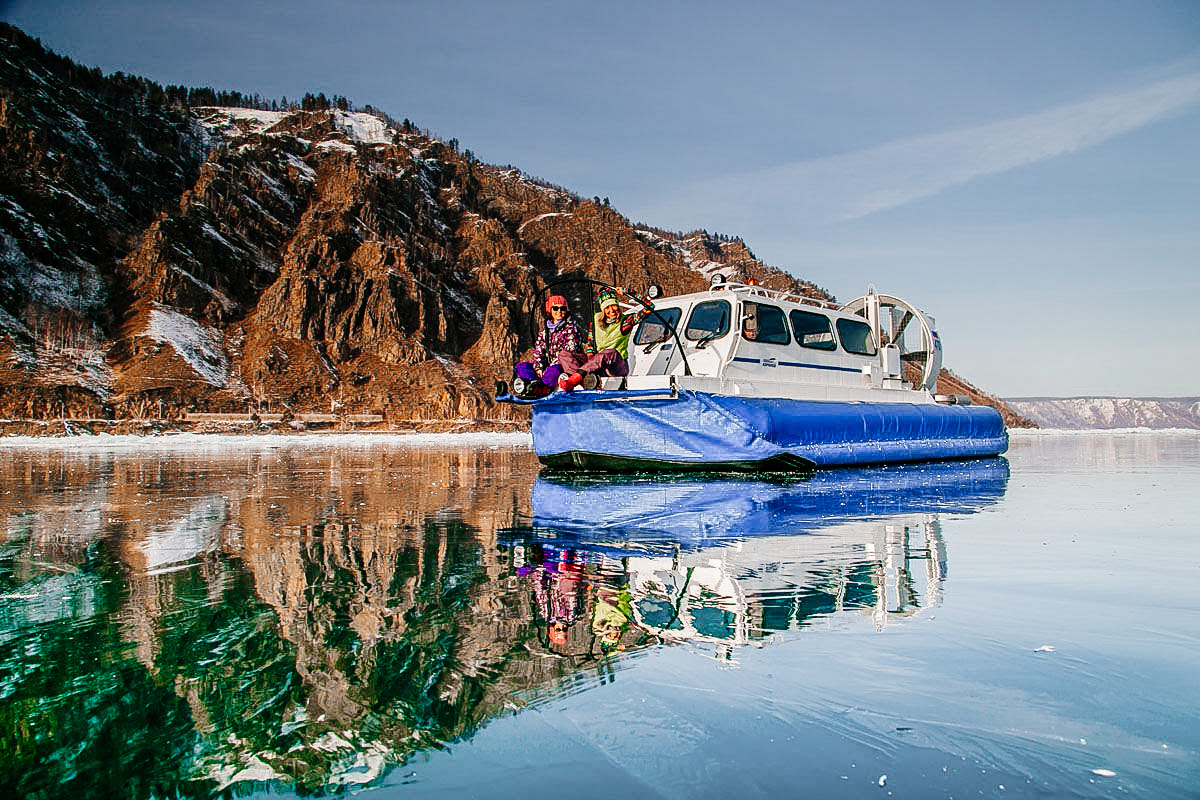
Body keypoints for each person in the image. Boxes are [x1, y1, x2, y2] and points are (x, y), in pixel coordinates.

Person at [557, 287, 652, 389]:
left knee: (609, 353)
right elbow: (590, 346)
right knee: (563, 354)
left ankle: (575, 379)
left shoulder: (625, 322)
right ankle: (587, 381)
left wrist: (628, 292)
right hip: (597, 364)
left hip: (616, 365)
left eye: (614, 306)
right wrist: (591, 368)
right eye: (607, 307)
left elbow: (649, 307)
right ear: (602, 309)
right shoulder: (595, 321)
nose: (611, 310)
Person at [513, 294, 586, 398]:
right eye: (555, 308)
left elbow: (569, 351)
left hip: (562, 365)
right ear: (550, 310)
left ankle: (544, 388)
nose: (559, 311)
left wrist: (550, 366)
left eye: (563, 308)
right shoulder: (545, 331)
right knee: (522, 367)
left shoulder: (570, 328)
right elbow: (539, 350)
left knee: (553, 370)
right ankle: (535, 385)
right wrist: (539, 367)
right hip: (547, 364)